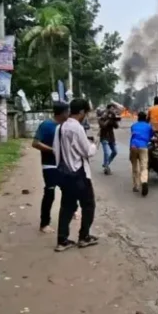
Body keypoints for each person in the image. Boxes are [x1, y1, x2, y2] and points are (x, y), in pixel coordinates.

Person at [52, 98, 98, 251]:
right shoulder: (76, 128)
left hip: (64, 173)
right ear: (82, 112)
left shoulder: (60, 127)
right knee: (88, 205)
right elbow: (87, 151)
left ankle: (62, 240)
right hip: (78, 173)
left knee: (67, 207)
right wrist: (93, 144)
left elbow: (55, 150)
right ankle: (84, 237)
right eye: (86, 112)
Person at [31, 101, 69, 233]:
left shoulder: (66, 126)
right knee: (50, 194)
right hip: (49, 165)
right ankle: (44, 223)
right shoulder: (46, 125)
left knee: (69, 191)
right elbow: (35, 143)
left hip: (64, 165)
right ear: (63, 113)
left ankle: (71, 212)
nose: (69, 114)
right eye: (68, 111)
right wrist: (53, 150)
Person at [130, 111, 154, 196]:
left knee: (135, 166)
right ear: (146, 118)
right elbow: (151, 135)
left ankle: (136, 186)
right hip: (143, 146)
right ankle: (144, 181)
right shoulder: (149, 126)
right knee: (144, 167)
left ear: (138, 118)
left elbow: (133, 135)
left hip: (133, 146)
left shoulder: (133, 126)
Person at [98, 103, 120, 175]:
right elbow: (103, 125)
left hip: (111, 137)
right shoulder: (102, 116)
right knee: (107, 152)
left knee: (115, 152)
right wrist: (108, 119)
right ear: (108, 109)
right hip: (104, 137)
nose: (113, 110)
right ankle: (106, 167)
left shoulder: (112, 116)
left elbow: (116, 127)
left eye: (114, 109)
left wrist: (114, 119)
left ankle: (106, 164)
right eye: (112, 109)